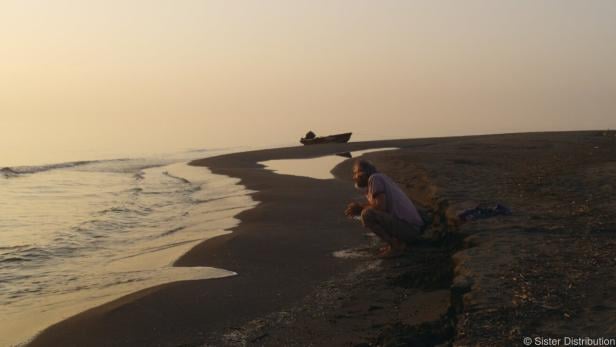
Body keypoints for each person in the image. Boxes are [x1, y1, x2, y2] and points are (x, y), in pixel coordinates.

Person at [344, 159, 424, 257]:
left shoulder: (374, 178)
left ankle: (395, 246)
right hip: (412, 228)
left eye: (356, 173)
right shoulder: (379, 178)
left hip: (410, 230)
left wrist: (360, 208)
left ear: (363, 173)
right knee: (368, 211)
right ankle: (396, 242)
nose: (354, 177)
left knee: (367, 214)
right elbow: (382, 207)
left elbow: (380, 207)